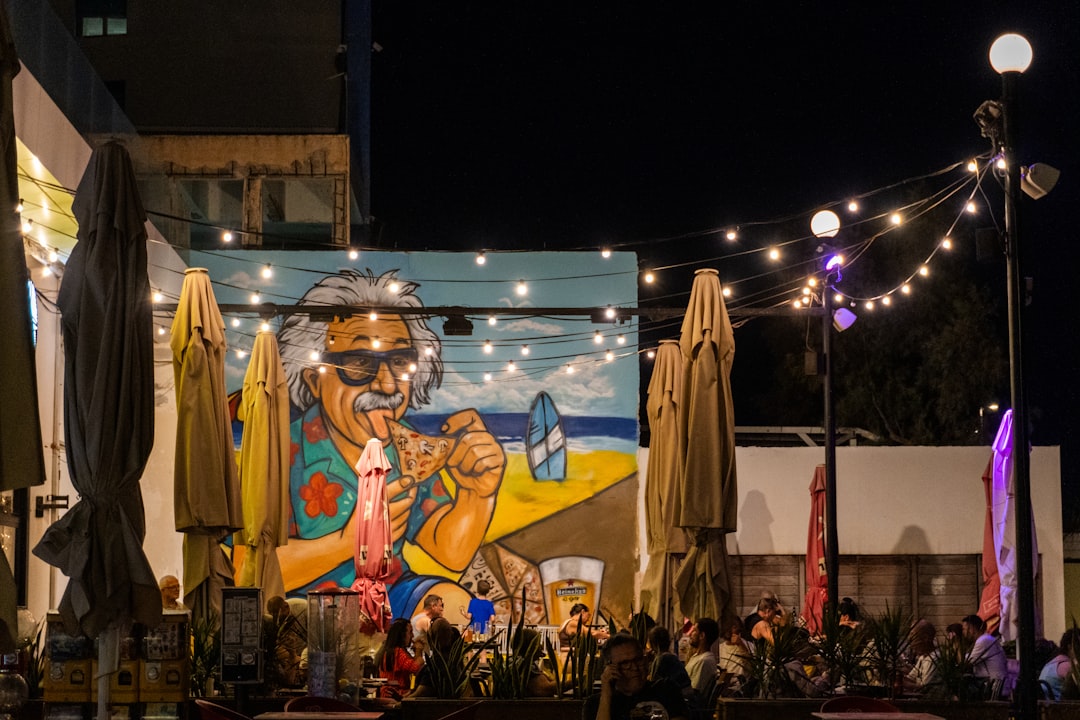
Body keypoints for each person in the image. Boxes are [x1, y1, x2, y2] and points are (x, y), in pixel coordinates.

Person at [274, 269, 507, 617]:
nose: (387, 385)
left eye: (399, 362)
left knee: (459, 609)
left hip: (391, 593)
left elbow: (450, 551)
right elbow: (251, 567)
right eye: (359, 363)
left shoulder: (407, 447)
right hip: (307, 604)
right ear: (314, 380)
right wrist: (351, 542)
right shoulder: (283, 453)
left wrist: (477, 494)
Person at [583, 633, 689, 720]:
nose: (634, 667)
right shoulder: (596, 703)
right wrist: (606, 693)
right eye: (625, 663)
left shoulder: (666, 689)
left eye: (638, 660)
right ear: (610, 668)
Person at [375, 618, 424, 700]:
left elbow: (413, 676)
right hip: (394, 695)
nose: (412, 636)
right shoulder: (397, 652)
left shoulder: (390, 650)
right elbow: (414, 669)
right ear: (402, 635)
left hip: (390, 694)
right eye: (410, 632)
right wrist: (419, 652)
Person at [646, 625, 692, 697]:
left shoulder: (662, 659)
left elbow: (653, 684)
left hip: (680, 698)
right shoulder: (672, 657)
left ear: (653, 644)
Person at [962, 614, 1006, 681]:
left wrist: (956, 644)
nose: (963, 633)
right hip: (993, 681)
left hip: (992, 683)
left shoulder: (983, 641)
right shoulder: (986, 638)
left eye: (964, 629)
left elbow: (967, 662)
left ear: (972, 629)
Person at [1039, 628, 1080, 701]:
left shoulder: (1052, 663)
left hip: (1047, 705)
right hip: (1060, 706)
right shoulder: (1067, 666)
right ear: (1070, 647)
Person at [684, 617, 719, 698]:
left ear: (702, 636)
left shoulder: (704, 661)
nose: (690, 634)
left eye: (694, 631)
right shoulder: (696, 656)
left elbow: (694, 691)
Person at [717, 620, 751, 692]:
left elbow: (751, 666)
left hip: (740, 689)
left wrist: (741, 645)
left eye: (734, 627)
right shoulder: (719, 648)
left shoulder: (748, 645)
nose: (730, 630)